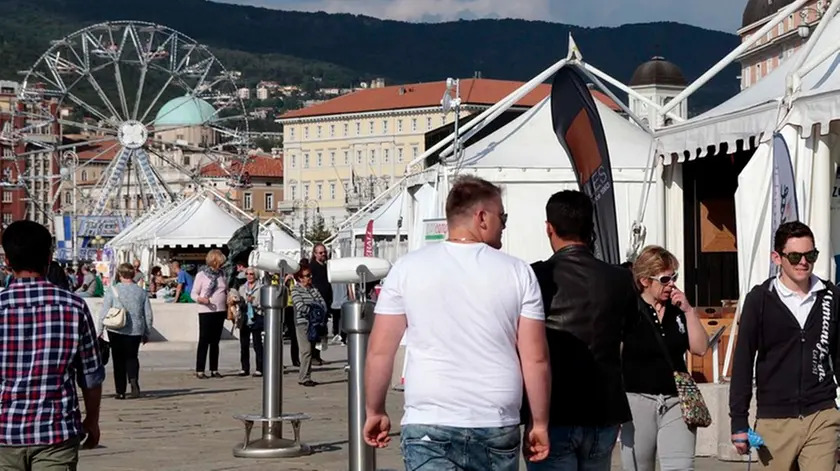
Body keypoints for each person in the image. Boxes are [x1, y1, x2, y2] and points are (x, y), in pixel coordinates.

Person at [364, 175, 551, 470]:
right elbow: (536, 358)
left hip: (429, 419)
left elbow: (379, 352)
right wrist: (539, 422)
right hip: (495, 420)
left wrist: (374, 409)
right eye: (502, 216)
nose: (504, 224)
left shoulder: (407, 269)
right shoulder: (518, 272)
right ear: (482, 217)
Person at [526, 190, 637, 471]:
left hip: (555, 410)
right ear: (591, 227)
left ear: (549, 228)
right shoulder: (620, 279)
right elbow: (629, 337)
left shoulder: (537, 276)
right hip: (604, 409)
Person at [730, 221, 840, 470]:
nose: (804, 262)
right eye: (795, 256)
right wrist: (738, 420)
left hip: (821, 414)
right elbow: (744, 363)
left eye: (810, 255)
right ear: (777, 257)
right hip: (774, 420)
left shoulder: (830, 296)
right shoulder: (760, 299)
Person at [0, 220, 104, 468]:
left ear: (7, 261)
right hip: (55, 432)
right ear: (49, 258)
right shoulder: (74, 306)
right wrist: (92, 419)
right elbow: (90, 374)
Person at [620, 246, 709, 471]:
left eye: (674, 277)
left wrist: (689, 311)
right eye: (665, 279)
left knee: (681, 466)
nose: (671, 284)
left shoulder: (677, 310)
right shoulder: (628, 311)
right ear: (645, 281)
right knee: (638, 467)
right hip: (637, 400)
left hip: (676, 401)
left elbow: (700, 348)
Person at [97, 263, 154, 400]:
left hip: (116, 328)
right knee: (132, 357)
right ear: (133, 275)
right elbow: (148, 314)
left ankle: (120, 391)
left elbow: (104, 311)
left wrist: (99, 330)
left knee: (118, 360)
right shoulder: (141, 292)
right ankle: (133, 380)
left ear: (120, 274)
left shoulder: (113, 290)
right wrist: (147, 331)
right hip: (135, 329)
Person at [192, 250, 229, 379]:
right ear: (214, 261)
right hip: (206, 311)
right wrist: (202, 299)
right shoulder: (201, 275)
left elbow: (226, 290)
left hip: (220, 310)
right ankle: (200, 369)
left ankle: (214, 368)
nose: (221, 265)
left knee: (215, 341)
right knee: (204, 340)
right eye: (219, 262)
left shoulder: (222, 274)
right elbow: (193, 294)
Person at [291, 264, 327, 387]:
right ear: (300, 278)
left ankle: (306, 376)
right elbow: (300, 306)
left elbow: (322, 303)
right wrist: (313, 311)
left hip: (315, 325)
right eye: (306, 276)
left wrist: (317, 312)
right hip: (302, 323)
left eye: (310, 275)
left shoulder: (313, 289)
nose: (309, 278)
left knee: (310, 351)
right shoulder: (296, 290)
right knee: (305, 350)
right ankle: (303, 378)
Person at [237, 267, 264, 377]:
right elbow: (239, 301)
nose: (249, 276)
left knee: (257, 344)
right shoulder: (242, 288)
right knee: (244, 344)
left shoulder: (261, 288)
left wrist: (254, 302)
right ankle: (244, 368)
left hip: (256, 316)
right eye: (247, 274)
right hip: (244, 316)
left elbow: (264, 302)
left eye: (251, 274)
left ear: (256, 275)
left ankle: (260, 368)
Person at [309, 243, 331, 364]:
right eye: (320, 253)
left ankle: (317, 355)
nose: (323, 254)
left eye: (324, 252)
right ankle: (312, 356)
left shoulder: (326, 266)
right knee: (315, 329)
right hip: (316, 302)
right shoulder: (312, 266)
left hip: (325, 301)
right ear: (315, 254)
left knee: (322, 330)